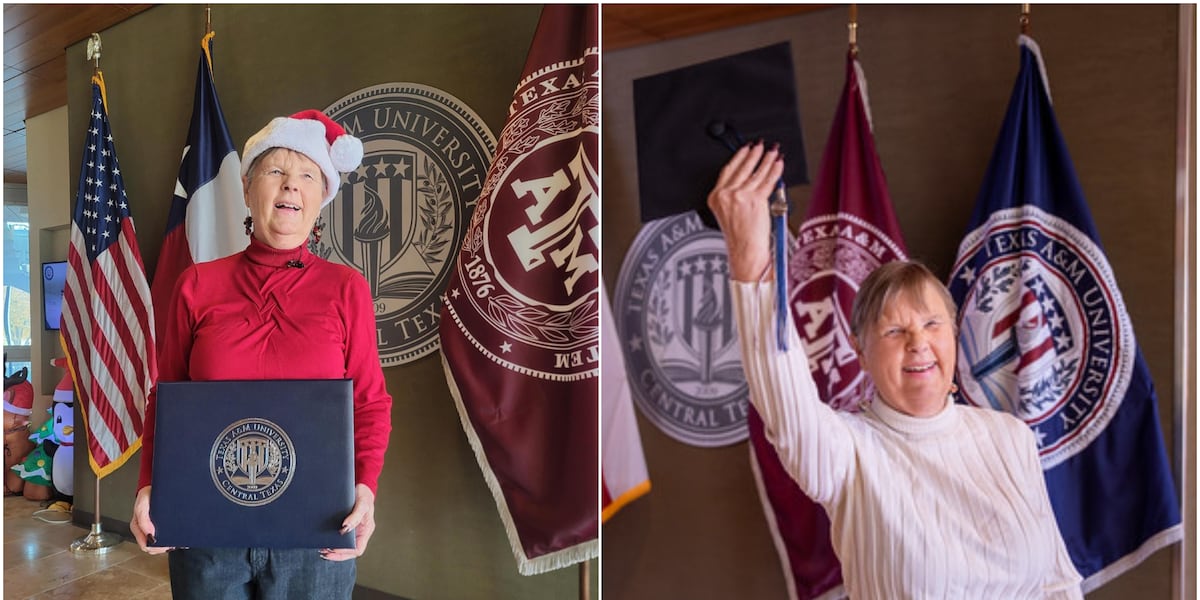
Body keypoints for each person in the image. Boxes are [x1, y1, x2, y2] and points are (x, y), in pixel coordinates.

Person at [707, 142, 1083, 598]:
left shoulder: (1010, 438)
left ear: (954, 332)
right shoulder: (846, 452)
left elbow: (1057, 582)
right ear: (859, 352)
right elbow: (782, 396)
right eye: (894, 332)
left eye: (931, 324)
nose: (918, 343)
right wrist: (749, 261)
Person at [130, 110, 393, 599]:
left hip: (316, 533)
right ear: (248, 188)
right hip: (206, 529)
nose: (291, 186)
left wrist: (365, 488)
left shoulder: (346, 289)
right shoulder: (196, 285)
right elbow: (165, 400)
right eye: (276, 171)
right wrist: (149, 485)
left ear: (322, 197)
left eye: (307, 176)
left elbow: (370, 403)